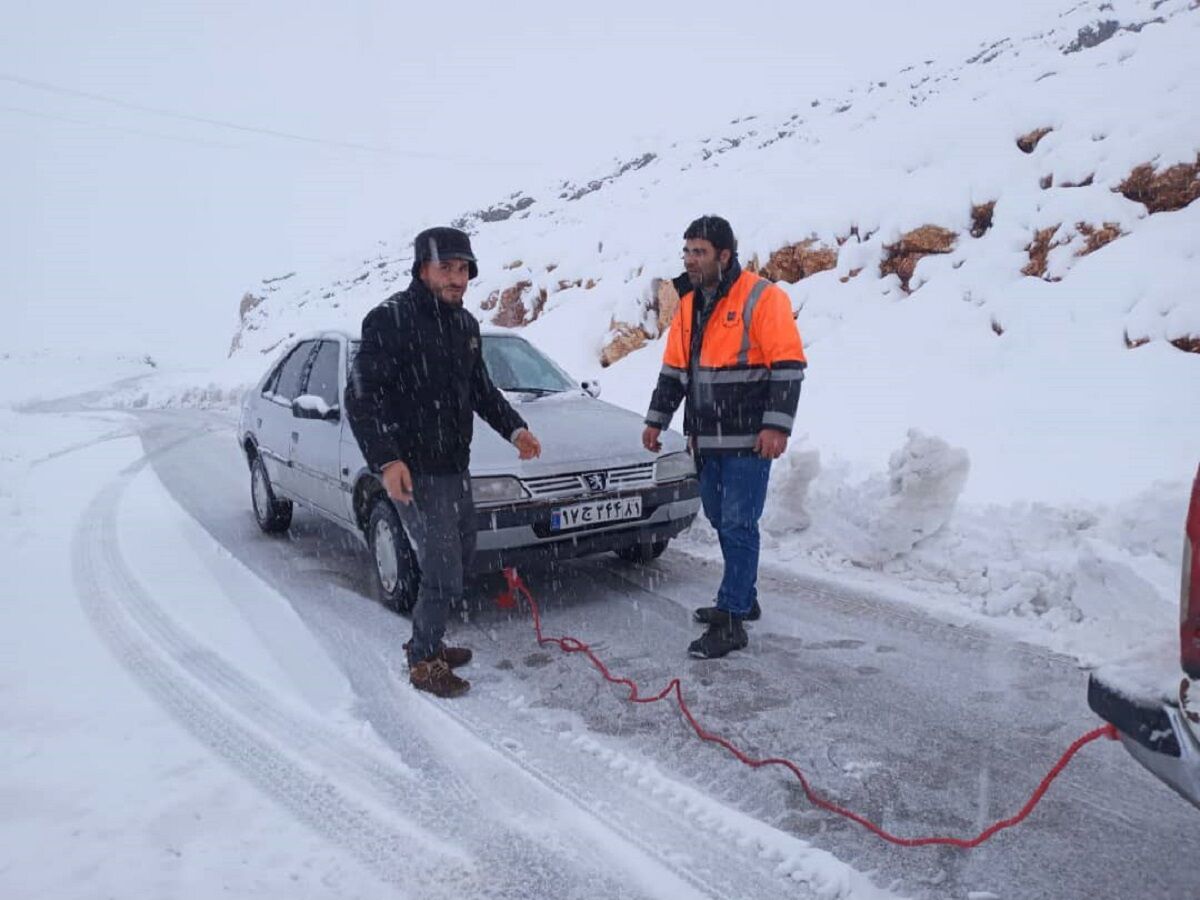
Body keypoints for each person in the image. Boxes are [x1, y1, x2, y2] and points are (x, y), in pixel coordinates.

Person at [346, 226, 542, 697]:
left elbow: (480, 390)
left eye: (463, 270)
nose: (457, 278)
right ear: (422, 269)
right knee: (441, 566)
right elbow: (360, 398)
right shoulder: (390, 320)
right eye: (446, 268)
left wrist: (515, 429)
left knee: (463, 554)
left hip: (454, 465)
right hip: (414, 468)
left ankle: (427, 639)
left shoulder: (464, 325)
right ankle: (423, 659)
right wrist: (388, 460)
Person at [642, 216, 806, 659]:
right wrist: (656, 420)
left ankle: (732, 618)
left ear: (724, 256)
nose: (691, 260)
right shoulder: (690, 303)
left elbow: (788, 364)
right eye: (687, 251)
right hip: (706, 438)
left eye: (700, 252)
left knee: (737, 521)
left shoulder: (763, 296)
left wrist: (776, 425)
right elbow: (675, 370)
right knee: (717, 516)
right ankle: (744, 595)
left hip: (750, 438)